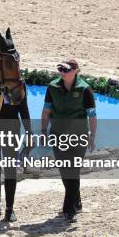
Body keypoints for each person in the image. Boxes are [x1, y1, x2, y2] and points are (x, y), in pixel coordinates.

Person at [41, 58, 97, 222]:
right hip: (57, 135)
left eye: (66, 70)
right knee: (65, 171)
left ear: (76, 71)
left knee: (73, 170)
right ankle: (77, 201)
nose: (62, 73)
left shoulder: (85, 89)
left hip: (78, 136)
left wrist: (92, 136)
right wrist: (44, 131)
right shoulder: (52, 87)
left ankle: (68, 207)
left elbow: (92, 116)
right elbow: (46, 112)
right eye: (60, 70)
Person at [0, 82, 33, 223]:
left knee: (10, 170)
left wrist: (29, 132)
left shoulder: (19, 84)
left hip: (11, 130)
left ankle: (10, 209)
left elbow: (24, 109)